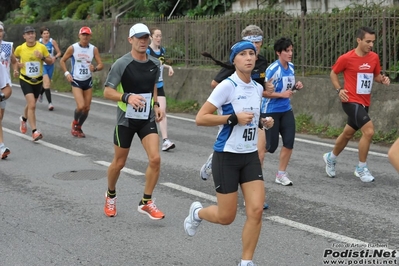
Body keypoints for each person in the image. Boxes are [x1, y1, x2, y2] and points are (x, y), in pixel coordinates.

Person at [184, 40, 268, 266]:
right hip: (227, 156)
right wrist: (232, 118)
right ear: (234, 60)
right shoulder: (227, 86)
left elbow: (252, 118)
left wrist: (262, 122)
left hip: (249, 156)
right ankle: (197, 213)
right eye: (243, 54)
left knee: (257, 210)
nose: (249, 58)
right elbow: (201, 118)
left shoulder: (258, 88)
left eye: (252, 53)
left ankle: (246, 262)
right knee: (226, 217)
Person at [103, 23, 165, 220]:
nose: (143, 41)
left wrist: (155, 104)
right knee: (119, 163)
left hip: (146, 118)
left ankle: (146, 201)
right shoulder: (122, 63)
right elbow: (107, 91)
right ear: (130, 40)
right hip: (126, 120)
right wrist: (126, 97)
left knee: (155, 159)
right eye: (139, 37)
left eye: (145, 37)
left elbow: (153, 86)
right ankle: (110, 194)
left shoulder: (155, 64)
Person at [200, 25, 273, 180]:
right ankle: (216, 160)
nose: (255, 46)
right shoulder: (237, 63)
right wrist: (233, 94)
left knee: (260, 152)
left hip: (254, 112)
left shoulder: (262, 62)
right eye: (250, 42)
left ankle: (253, 196)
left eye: (258, 42)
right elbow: (215, 83)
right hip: (235, 113)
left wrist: (266, 87)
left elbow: (260, 84)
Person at [323, 26, 390, 182]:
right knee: (369, 131)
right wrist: (339, 89)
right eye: (368, 41)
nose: (371, 45)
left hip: (364, 102)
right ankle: (361, 168)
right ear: (359, 40)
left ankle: (330, 157)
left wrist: (383, 79)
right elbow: (333, 73)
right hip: (350, 101)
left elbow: (376, 76)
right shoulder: (346, 58)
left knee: (347, 134)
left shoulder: (374, 57)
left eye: (373, 42)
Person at [260, 37, 303, 186]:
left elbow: (288, 90)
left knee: (289, 142)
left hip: (286, 109)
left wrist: (295, 87)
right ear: (278, 52)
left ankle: (281, 174)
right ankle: (247, 157)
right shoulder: (273, 69)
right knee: (269, 147)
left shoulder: (291, 67)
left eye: (291, 50)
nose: (290, 53)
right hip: (270, 110)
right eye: (286, 50)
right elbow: (262, 92)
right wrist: (280, 95)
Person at [60, 26, 103, 138]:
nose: (85, 37)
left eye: (87, 35)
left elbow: (101, 64)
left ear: (90, 36)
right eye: (83, 34)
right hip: (76, 80)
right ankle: (75, 122)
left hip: (87, 81)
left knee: (87, 108)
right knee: (81, 106)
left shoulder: (93, 49)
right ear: (79, 36)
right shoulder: (73, 48)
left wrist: (95, 68)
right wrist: (67, 74)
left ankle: (79, 127)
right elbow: (62, 60)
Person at [13, 25, 53, 141]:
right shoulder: (20, 48)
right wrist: (16, 68)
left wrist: (42, 58)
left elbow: (50, 61)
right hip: (25, 79)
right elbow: (14, 59)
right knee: (33, 105)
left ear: (35, 35)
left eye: (32, 33)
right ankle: (35, 131)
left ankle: (23, 119)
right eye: (28, 33)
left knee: (32, 104)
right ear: (24, 36)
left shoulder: (42, 47)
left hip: (38, 80)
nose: (30, 35)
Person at [147, 27, 176, 151]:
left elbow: (161, 64)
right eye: (156, 36)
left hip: (159, 85)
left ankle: (165, 140)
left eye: (160, 36)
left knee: (162, 111)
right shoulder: (147, 51)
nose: (159, 38)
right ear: (151, 37)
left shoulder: (162, 50)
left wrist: (169, 67)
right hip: (148, 86)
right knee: (149, 114)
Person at [0, 22, 17, 158]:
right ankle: (1, 147)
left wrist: (16, 69)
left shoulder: (7, 46)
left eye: (0, 31)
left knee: (0, 117)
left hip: (4, 82)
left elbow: (14, 61)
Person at [38, 26, 62, 111]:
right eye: (44, 33)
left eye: (47, 33)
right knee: (47, 83)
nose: (46, 35)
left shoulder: (52, 42)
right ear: (41, 35)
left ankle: (40, 93)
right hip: (42, 65)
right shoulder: (39, 43)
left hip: (50, 65)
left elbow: (59, 52)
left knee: (46, 84)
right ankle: (50, 103)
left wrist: (55, 57)